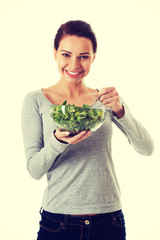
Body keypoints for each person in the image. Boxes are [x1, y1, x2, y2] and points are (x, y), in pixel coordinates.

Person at [21, 20, 154, 240]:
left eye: (83, 56)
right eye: (66, 54)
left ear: (93, 57)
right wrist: (58, 141)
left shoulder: (105, 100)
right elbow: (33, 170)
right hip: (58, 223)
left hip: (109, 221)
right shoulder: (36, 100)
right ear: (55, 53)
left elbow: (147, 148)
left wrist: (121, 111)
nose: (74, 65)